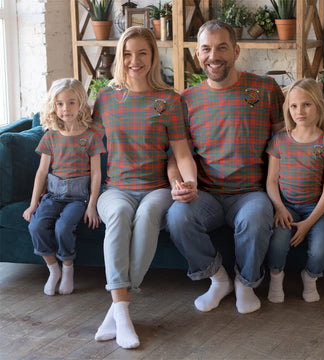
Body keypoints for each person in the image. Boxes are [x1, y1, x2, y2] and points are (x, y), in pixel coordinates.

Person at [167, 20, 285, 315]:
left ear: (236, 50)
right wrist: (176, 184)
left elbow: (286, 144)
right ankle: (219, 280)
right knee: (177, 217)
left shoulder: (266, 89)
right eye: (206, 48)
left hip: (251, 193)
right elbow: (175, 156)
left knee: (257, 220)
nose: (213, 55)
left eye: (222, 47)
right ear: (197, 54)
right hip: (205, 194)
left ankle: (246, 283)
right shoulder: (186, 100)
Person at [91, 27, 197, 349]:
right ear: (120, 57)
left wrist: (190, 182)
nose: (134, 60)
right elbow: (91, 147)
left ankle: (117, 309)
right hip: (115, 188)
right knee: (121, 213)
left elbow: (181, 152)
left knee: (150, 211)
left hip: (155, 189)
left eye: (142, 53)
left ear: (153, 57)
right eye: (127, 53)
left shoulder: (170, 100)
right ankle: (122, 311)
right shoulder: (105, 98)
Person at [23, 78, 106, 296]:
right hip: (53, 195)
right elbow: (42, 172)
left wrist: (92, 206)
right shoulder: (50, 136)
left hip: (79, 198)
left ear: (81, 104)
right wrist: (33, 204)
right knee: (36, 226)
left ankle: (68, 269)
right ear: (54, 106)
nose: (65, 109)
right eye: (59, 104)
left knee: (63, 227)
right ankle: (53, 270)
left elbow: (97, 173)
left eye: (71, 103)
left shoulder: (90, 137)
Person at [266, 78, 324, 303]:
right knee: (278, 244)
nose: (299, 111)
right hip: (286, 206)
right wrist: (279, 208)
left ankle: (310, 277)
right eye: (293, 106)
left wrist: (309, 223)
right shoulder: (280, 140)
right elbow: (271, 181)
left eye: (306, 104)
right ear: (288, 109)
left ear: (318, 105)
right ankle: (275, 276)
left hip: (316, 208)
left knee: (320, 252)